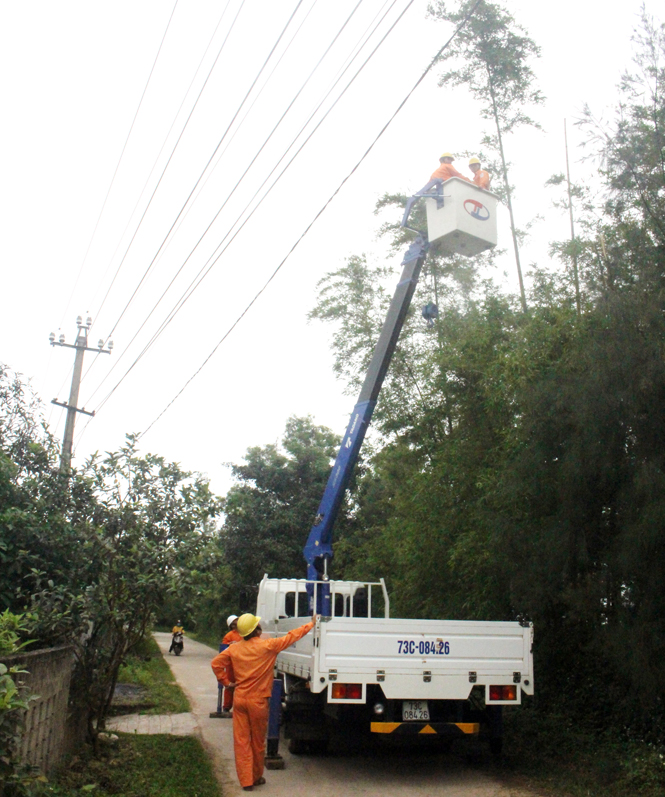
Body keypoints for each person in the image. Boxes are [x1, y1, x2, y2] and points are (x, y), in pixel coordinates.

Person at [211, 612, 317, 791]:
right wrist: (311, 624)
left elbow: (216, 664)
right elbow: (291, 637)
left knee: (241, 741)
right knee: (257, 742)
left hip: (240, 700)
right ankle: (257, 776)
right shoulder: (268, 646)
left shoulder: (234, 648)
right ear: (257, 630)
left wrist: (227, 683)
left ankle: (246, 781)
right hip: (258, 701)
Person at [221, 614, 242, 712]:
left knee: (242, 686)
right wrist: (230, 645)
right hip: (231, 664)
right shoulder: (229, 636)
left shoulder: (246, 633)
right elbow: (223, 649)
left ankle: (240, 707)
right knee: (229, 685)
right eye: (234, 623)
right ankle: (226, 706)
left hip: (243, 663)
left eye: (237, 621)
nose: (236, 624)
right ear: (232, 626)